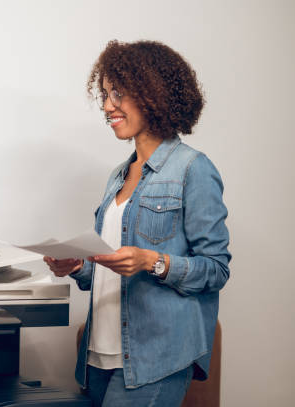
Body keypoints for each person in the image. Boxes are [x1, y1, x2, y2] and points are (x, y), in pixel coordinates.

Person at [44, 40, 230, 406]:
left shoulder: (194, 169)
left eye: (118, 93)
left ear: (153, 94)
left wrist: (152, 262)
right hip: (99, 355)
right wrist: (79, 266)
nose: (108, 105)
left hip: (155, 359)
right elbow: (111, 267)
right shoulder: (118, 176)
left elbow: (216, 269)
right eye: (104, 94)